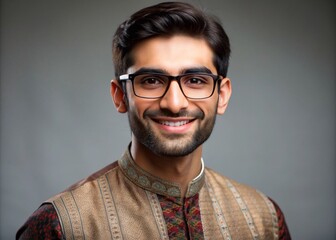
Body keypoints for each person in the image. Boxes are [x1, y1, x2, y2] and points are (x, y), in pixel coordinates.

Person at [16, 2, 291, 239]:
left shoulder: (265, 220)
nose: (174, 103)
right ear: (120, 96)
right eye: (150, 81)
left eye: (195, 80)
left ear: (222, 95)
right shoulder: (60, 227)